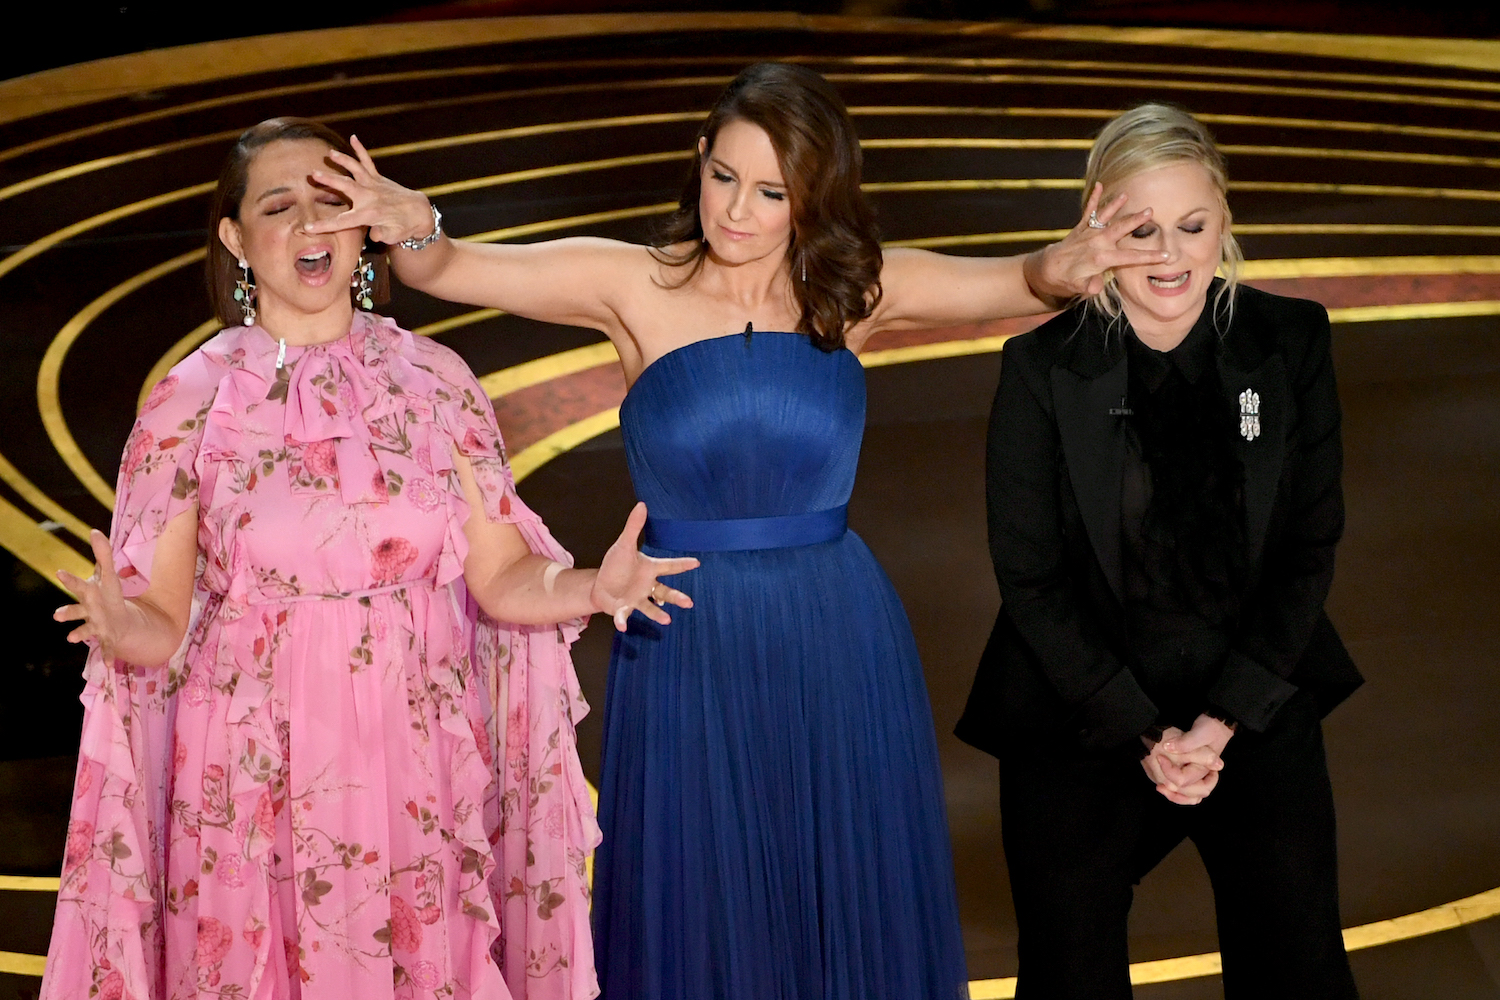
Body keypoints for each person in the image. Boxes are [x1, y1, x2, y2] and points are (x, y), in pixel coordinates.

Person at [306, 63, 1162, 999]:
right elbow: (450, 267)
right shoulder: (630, 284)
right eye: (725, 177)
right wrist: (415, 222)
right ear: (698, 161)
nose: (739, 212)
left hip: (838, 635)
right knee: (704, 905)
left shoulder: (855, 293)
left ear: (813, 198)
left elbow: (1021, 281)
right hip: (684, 633)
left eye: (772, 192)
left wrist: (1066, 265)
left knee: (843, 888)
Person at [40, 118, 697, 1000]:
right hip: (253, 776)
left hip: (414, 765)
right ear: (236, 238)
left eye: (332, 202)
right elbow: (161, 626)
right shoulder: (189, 400)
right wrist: (125, 625)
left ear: (363, 227)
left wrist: (596, 585)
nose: (311, 226)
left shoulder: (434, 378)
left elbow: (501, 577)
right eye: (279, 207)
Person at [955, 103, 1365, 998]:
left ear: (1226, 221)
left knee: (1299, 962)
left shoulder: (1290, 342)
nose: (1171, 255)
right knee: (1068, 970)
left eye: (1193, 226)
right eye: (1141, 229)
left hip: (1252, 694)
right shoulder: (1040, 366)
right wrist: (1146, 731)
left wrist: (1221, 723)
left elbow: (1309, 544)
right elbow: (1030, 575)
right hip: (1081, 706)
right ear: (1097, 225)